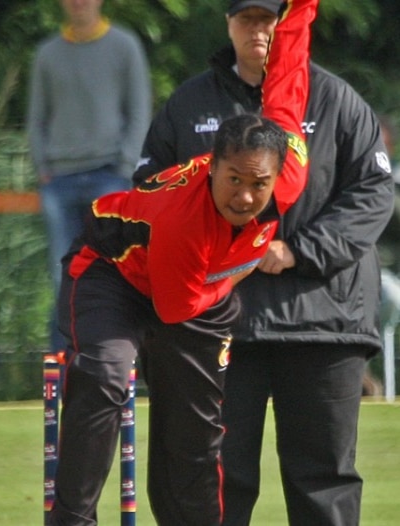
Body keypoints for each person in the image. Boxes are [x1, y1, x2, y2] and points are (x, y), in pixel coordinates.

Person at [48, 2, 314, 523]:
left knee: (195, 433)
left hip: (198, 286)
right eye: (232, 180)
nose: (244, 197)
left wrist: (302, 5)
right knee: (105, 375)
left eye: (258, 185)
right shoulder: (183, 220)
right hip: (113, 271)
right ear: (210, 167)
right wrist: (250, 258)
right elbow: (174, 310)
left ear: (280, 176)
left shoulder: (286, 169)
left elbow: (289, 71)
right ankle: (73, 519)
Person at [133, 0, 395, 524]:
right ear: (228, 23)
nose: (260, 29)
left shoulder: (337, 99)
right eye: (247, 17)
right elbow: (149, 196)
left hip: (323, 321)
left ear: (289, 22)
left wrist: (298, 251)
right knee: (214, 481)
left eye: (270, 17)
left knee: (323, 482)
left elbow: (373, 193)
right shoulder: (189, 104)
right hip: (220, 324)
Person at [26, 0, 152, 354]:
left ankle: (115, 358)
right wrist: (43, 167)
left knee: (114, 273)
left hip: (109, 175)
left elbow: (140, 110)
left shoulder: (124, 46)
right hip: (60, 180)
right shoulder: (47, 54)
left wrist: (125, 166)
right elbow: (36, 117)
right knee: (61, 276)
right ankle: (65, 366)